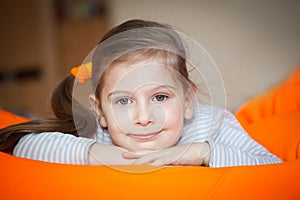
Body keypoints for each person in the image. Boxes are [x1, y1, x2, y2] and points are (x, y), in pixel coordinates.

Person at [0, 19, 282, 167]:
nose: (143, 118)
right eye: (123, 101)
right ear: (101, 112)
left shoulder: (211, 125)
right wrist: (104, 156)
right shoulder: (103, 134)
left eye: (160, 97)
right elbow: (26, 147)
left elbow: (273, 168)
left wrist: (201, 152)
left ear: (187, 100)